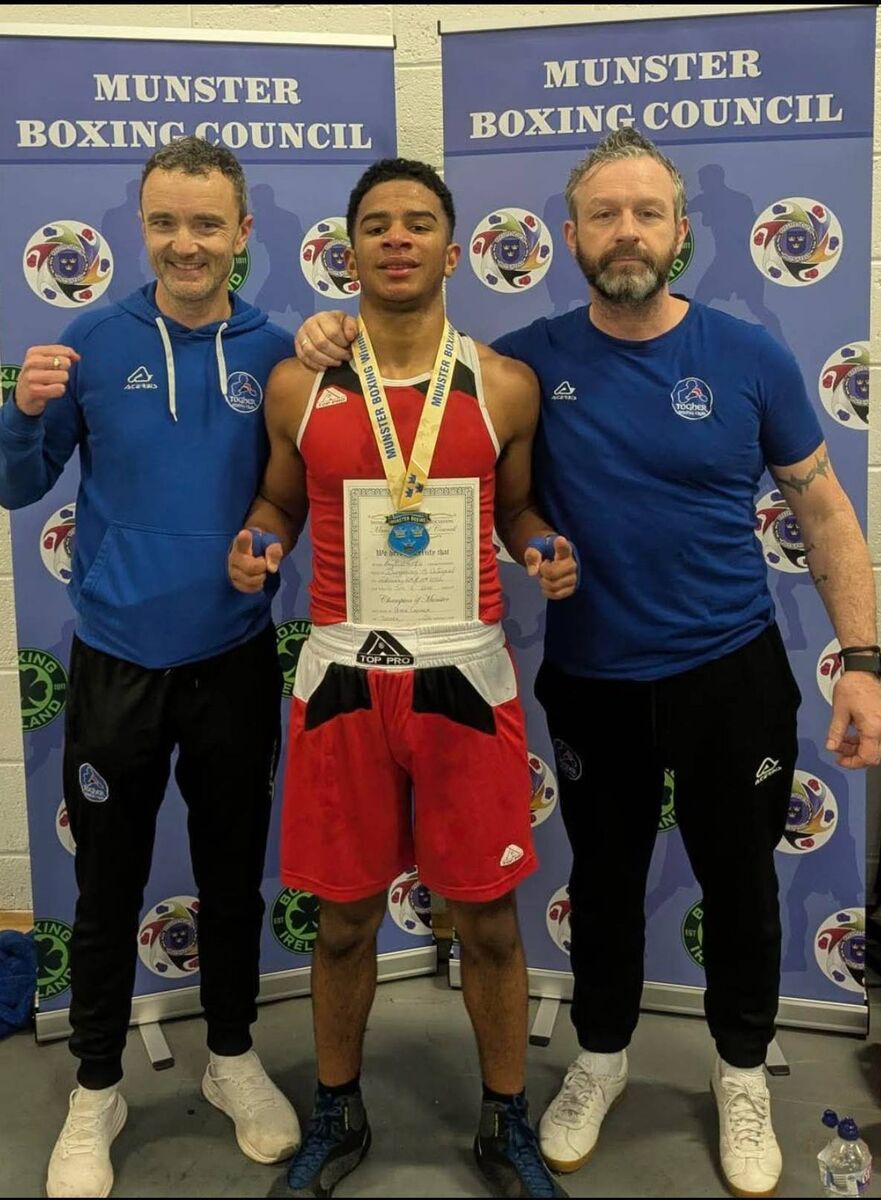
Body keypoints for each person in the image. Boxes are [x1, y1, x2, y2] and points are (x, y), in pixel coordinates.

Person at [291, 127, 881, 1199]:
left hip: (729, 672)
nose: (626, 232)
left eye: (646, 212)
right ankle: (602, 1059)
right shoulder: (526, 365)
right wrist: (326, 331)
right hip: (594, 680)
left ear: (679, 230)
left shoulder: (748, 356)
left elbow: (824, 504)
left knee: (743, 888)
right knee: (604, 887)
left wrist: (862, 660)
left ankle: (741, 1074)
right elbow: (416, 373)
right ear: (567, 237)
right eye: (604, 215)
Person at [228, 157, 576, 1198]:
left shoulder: (502, 384)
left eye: (418, 223)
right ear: (349, 247)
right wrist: (258, 541)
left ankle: (505, 1121)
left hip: (465, 678)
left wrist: (543, 544)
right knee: (341, 918)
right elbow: (279, 504)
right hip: (342, 679)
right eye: (376, 224)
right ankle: (339, 1112)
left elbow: (517, 509)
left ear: (452, 248)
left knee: (488, 920)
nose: (396, 239)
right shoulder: (303, 384)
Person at [0, 137, 301, 1199]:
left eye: (207, 223)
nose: (186, 243)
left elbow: (310, 491)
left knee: (228, 878)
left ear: (243, 233)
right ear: (142, 226)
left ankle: (231, 1057)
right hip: (117, 665)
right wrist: (23, 411)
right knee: (107, 885)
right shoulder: (90, 338)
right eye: (166, 222)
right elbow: (13, 487)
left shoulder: (283, 352)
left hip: (236, 662)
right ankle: (96, 1086)